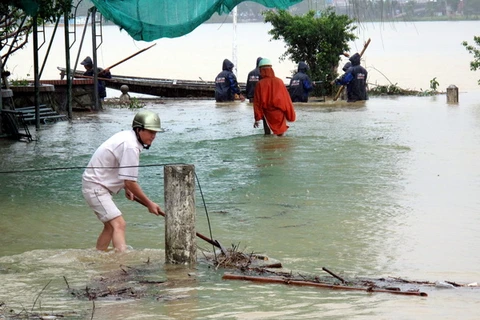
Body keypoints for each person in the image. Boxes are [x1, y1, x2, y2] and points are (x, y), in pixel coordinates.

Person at [82, 110, 165, 252]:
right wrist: (149, 203)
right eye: (150, 132)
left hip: (94, 185)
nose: (153, 136)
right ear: (139, 129)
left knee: (110, 226)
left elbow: (123, 174)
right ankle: (121, 262)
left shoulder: (128, 137)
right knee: (119, 224)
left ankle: (98, 256)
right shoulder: (131, 146)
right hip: (96, 187)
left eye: (155, 132)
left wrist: (126, 188)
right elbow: (130, 182)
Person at [253, 58, 296, 136]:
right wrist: (290, 116)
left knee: (268, 136)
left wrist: (257, 118)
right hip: (280, 114)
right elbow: (287, 101)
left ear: (261, 70)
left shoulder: (259, 84)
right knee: (281, 137)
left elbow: (257, 103)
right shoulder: (280, 82)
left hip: (267, 115)